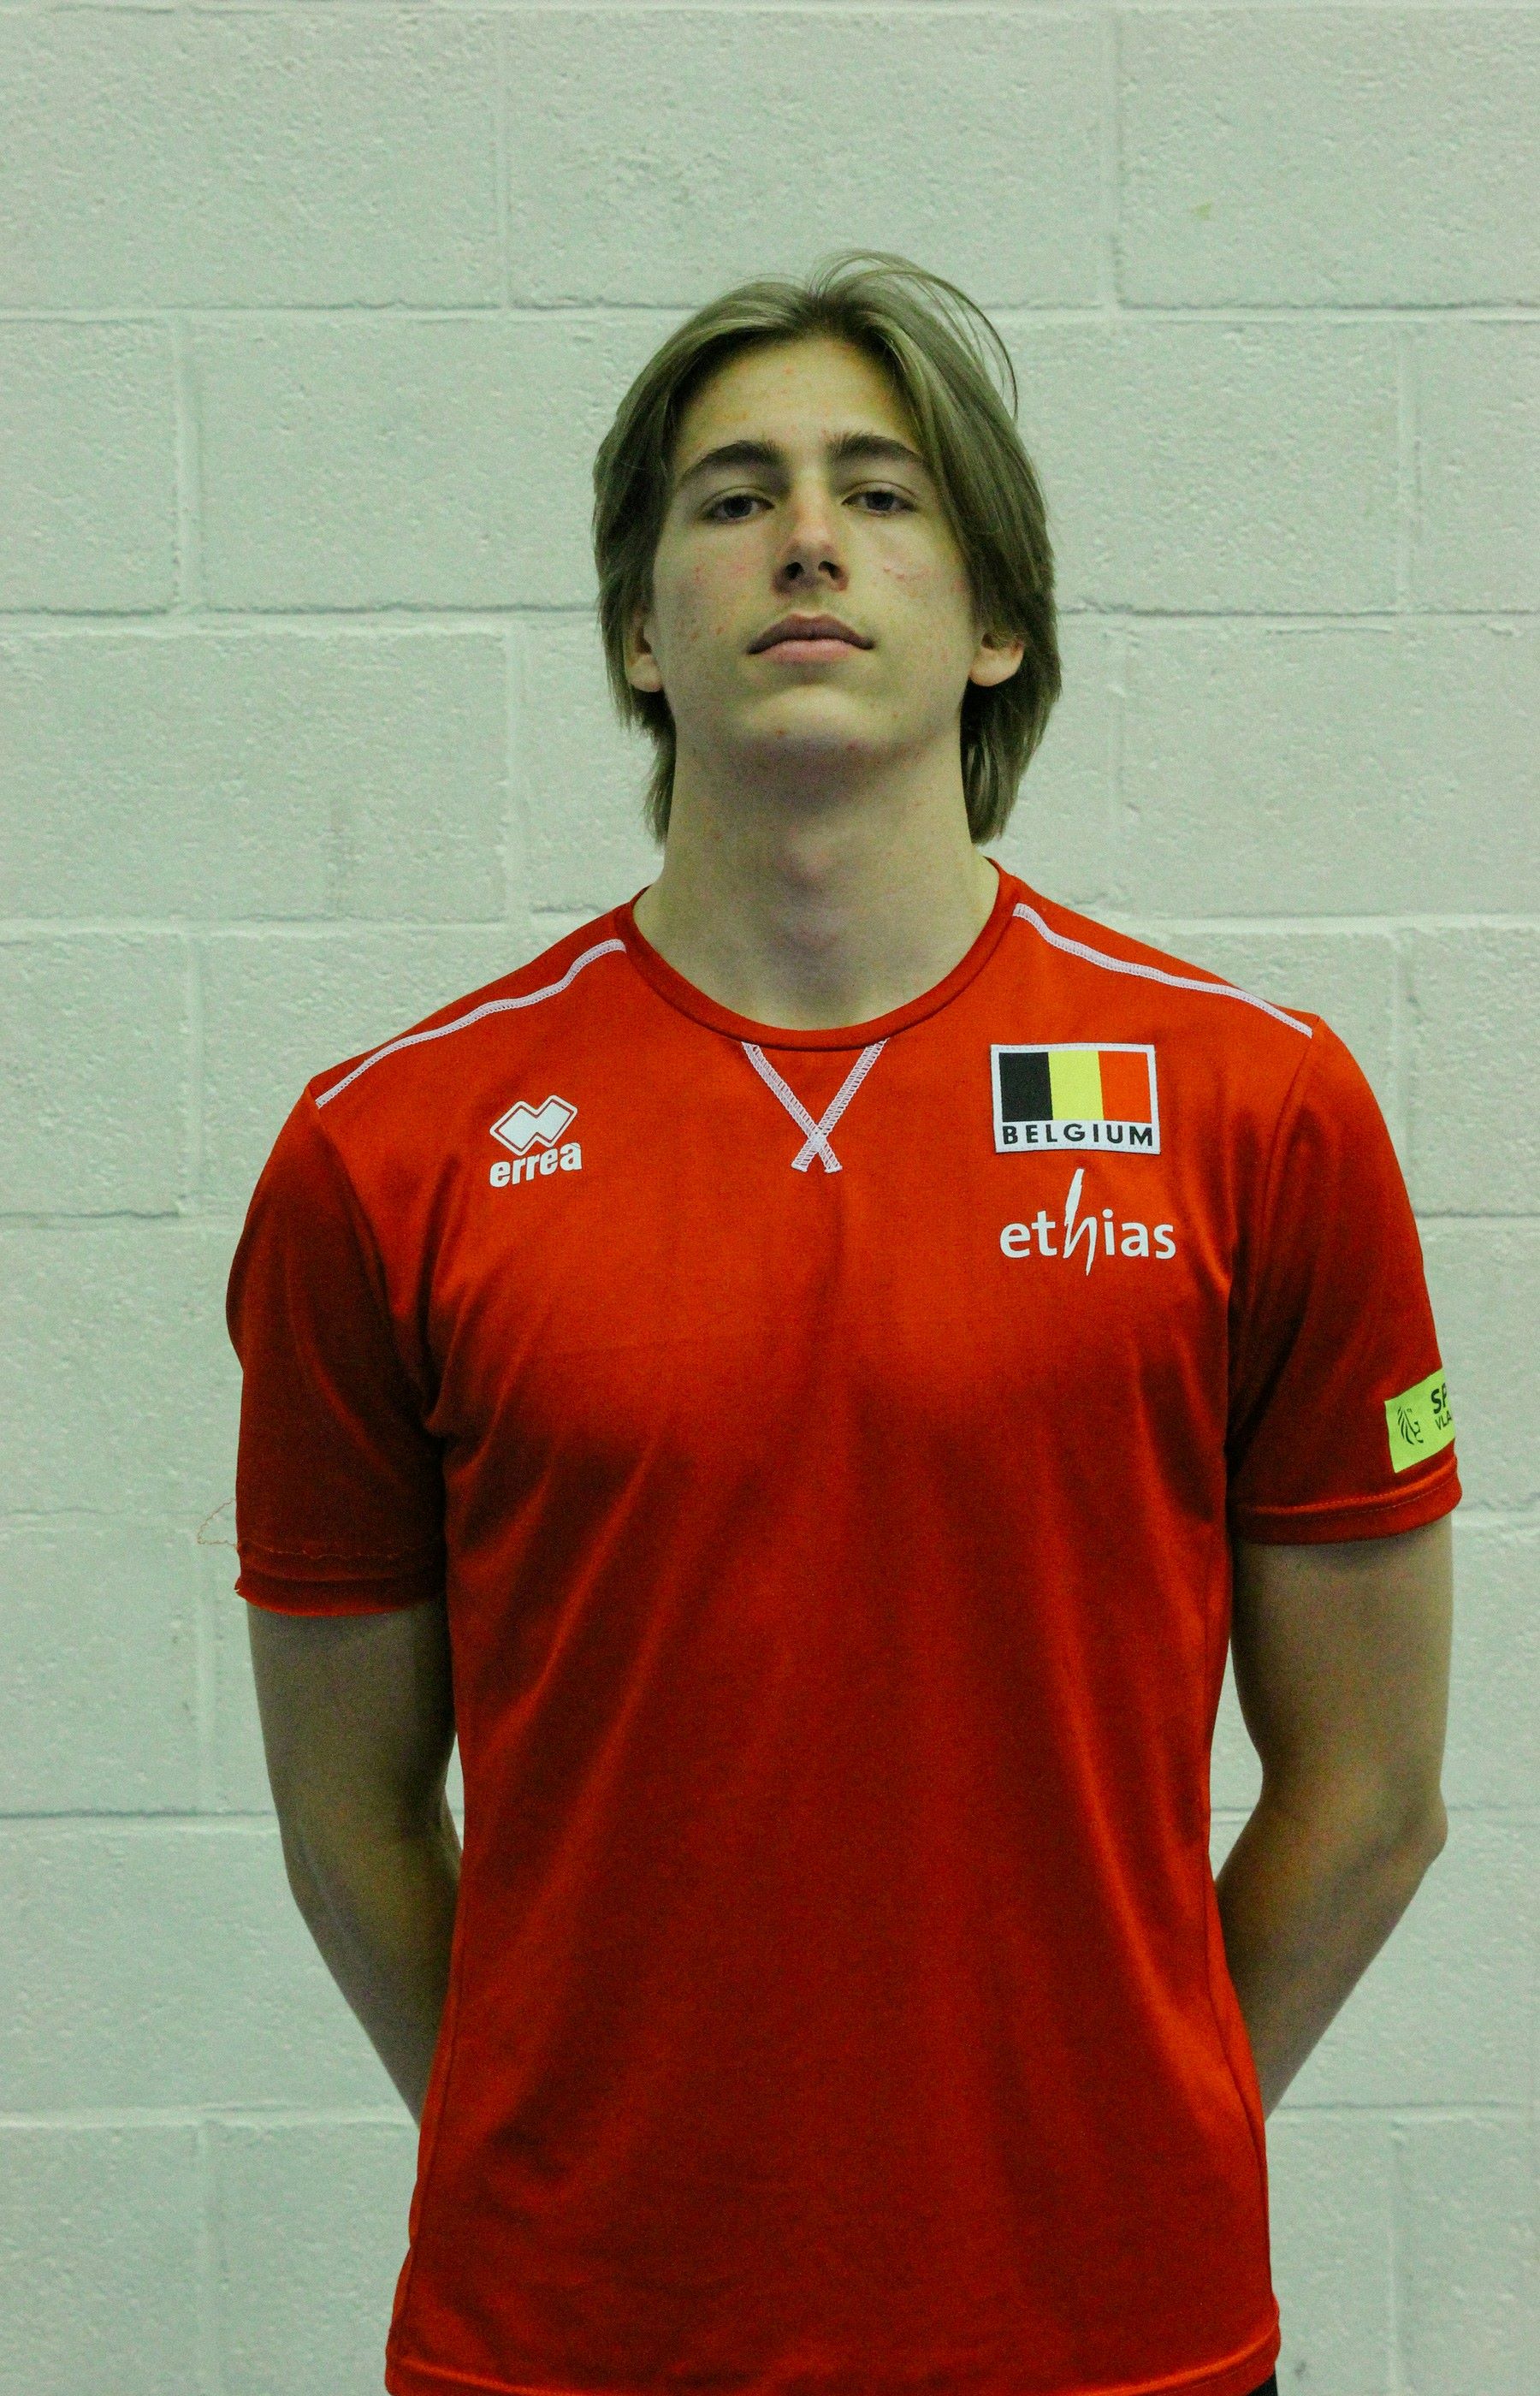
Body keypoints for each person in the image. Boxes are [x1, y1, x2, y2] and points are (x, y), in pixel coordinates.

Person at [228, 252, 1456, 2396]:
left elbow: (1371, 1793)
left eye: (883, 494)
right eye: (735, 497)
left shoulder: (1257, 1106)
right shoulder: (389, 1148)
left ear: (995, 624)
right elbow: (349, 1820)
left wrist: (1131, 2145)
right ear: (639, 630)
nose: (808, 536)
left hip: (1118, 2337)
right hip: (564, 2344)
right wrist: (576, 2178)